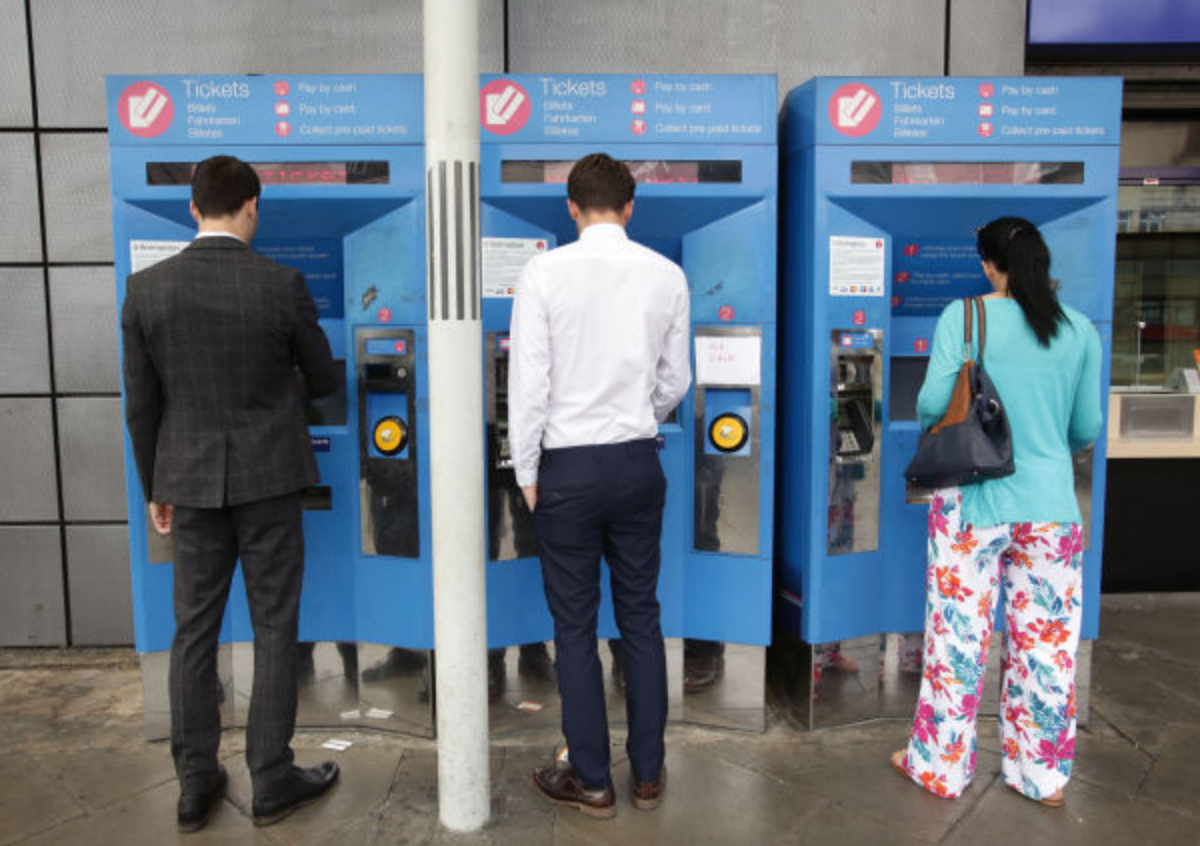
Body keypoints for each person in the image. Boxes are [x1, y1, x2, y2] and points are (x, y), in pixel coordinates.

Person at [122, 155, 342, 831]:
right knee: (275, 625)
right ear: (253, 205)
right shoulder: (281, 283)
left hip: (186, 481)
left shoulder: (146, 290)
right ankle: (271, 777)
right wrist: (278, 397)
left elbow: (141, 403)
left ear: (193, 208)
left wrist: (155, 484)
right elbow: (324, 378)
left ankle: (196, 784)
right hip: (270, 476)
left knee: (194, 629)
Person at [890, 217, 1103, 808]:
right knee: (1049, 646)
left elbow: (933, 402)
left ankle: (939, 769)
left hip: (974, 501)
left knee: (958, 641)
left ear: (987, 264)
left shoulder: (966, 317)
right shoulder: (1080, 330)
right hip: (1052, 511)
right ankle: (1042, 777)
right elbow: (1086, 428)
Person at [509, 153, 690, 818]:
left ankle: (591, 779)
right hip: (639, 461)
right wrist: (642, 418)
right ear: (631, 207)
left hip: (568, 470)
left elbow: (528, 384)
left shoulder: (544, 273)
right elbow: (676, 381)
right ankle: (648, 773)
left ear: (571, 206)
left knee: (575, 627)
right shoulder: (667, 275)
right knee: (641, 618)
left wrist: (527, 471)